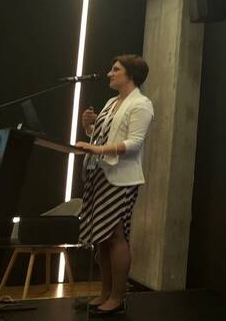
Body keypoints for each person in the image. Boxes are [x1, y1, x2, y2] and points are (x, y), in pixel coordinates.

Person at [76, 55, 154, 316]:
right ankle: (105, 293)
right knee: (102, 238)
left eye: (115, 69)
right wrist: (89, 127)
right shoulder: (112, 102)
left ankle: (118, 298)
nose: (109, 73)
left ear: (130, 75)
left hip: (121, 179)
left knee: (116, 235)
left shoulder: (141, 104)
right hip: (99, 175)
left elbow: (133, 144)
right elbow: (104, 137)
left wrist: (97, 149)